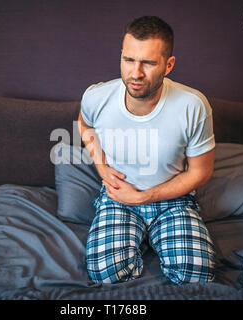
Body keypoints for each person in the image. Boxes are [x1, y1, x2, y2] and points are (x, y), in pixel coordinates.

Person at [77, 16, 216, 285]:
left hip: (172, 200)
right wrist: (102, 166)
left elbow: (201, 172)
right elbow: (84, 123)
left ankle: (154, 238)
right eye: (129, 60)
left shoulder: (193, 105)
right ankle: (142, 241)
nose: (136, 73)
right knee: (106, 273)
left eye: (149, 63)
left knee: (197, 275)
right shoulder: (96, 97)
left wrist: (145, 197)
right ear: (121, 56)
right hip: (118, 198)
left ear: (168, 64)